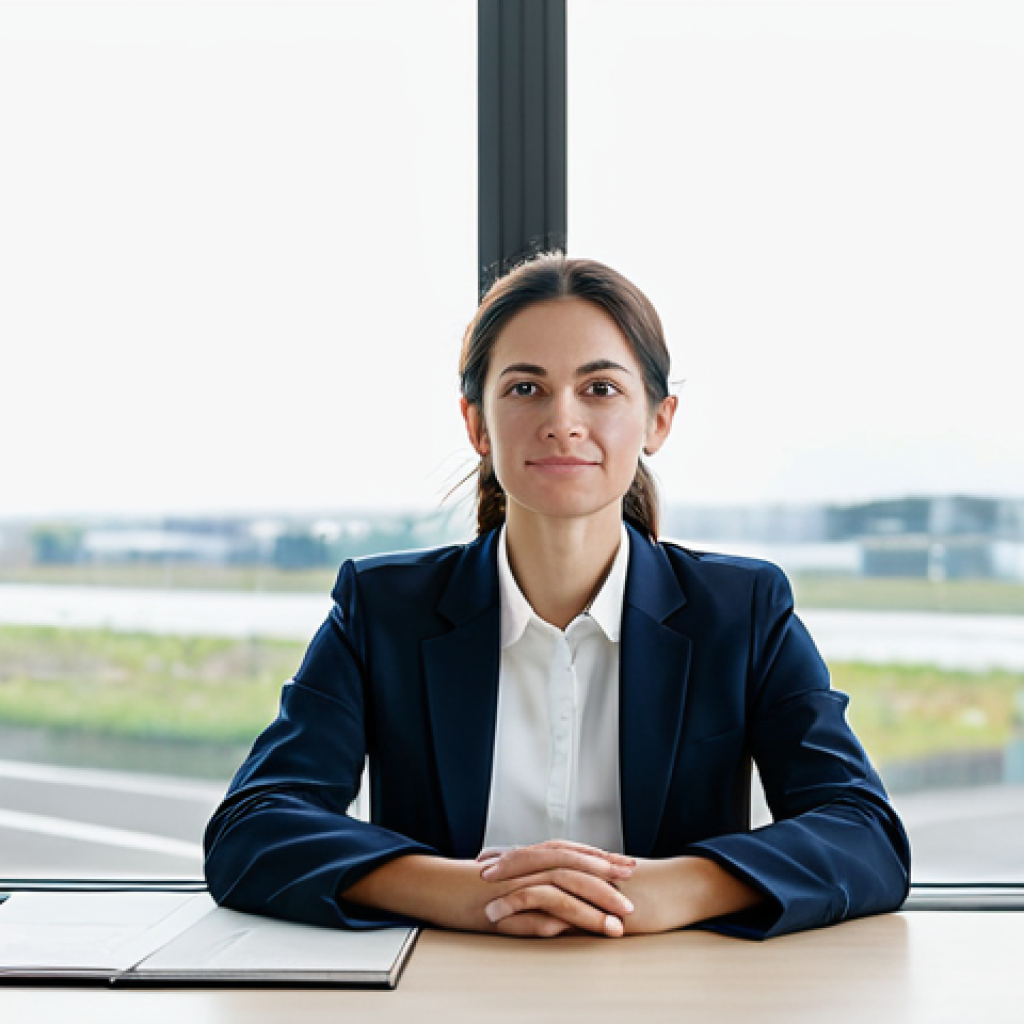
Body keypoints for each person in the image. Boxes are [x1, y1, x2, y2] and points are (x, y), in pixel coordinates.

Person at [203, 255, 911, 940]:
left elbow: (863, 834)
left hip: (671, 992)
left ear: (659, 420)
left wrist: (670, 889)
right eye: (524, 388)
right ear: (476, 424)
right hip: (440, 992)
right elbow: (253, 826)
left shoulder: (743, 610)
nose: (562, 421)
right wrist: (467, 892)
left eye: (600, 389)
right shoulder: (383, 610)